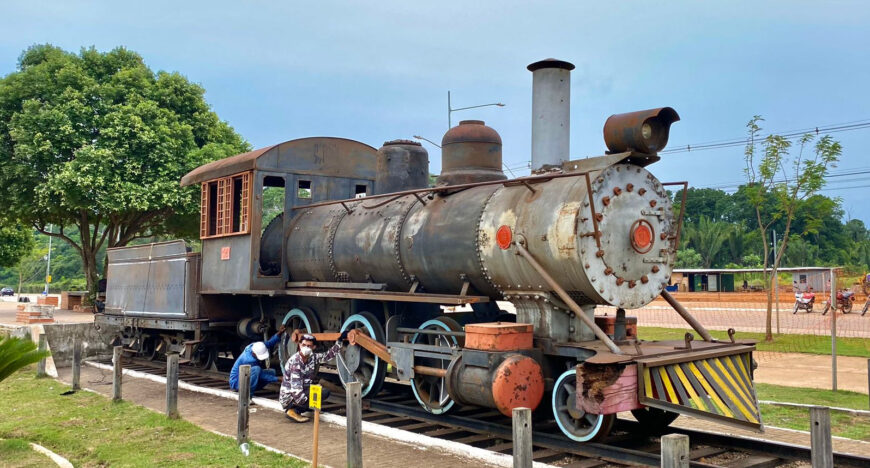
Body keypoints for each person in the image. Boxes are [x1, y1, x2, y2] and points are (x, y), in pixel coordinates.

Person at [280, 331, 347, 422]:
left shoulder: (312, 357)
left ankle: (301, 408)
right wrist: (310, 403)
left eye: (309, 346)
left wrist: (340, 340)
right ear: (299, 345)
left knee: (324, 392)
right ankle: (293, 411)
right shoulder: (296, 362)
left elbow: (327, 356)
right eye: (304, 345)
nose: (306, 348)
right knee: (320, 393)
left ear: (313, 347)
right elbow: (296, 391)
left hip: (301, 391)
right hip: (289, 397)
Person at [229, 326, 285, 394]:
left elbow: (269, 343)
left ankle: (252, 387)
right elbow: (261, 375)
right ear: (254, 353)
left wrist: (279, 333)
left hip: (245, 378)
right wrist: (278, 379)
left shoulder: (256, 346)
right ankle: (248, 395)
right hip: (236, 382)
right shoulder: (248, 360)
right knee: (257, 369)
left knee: (271, 372)